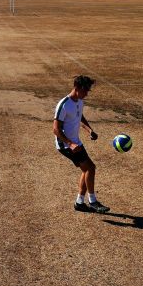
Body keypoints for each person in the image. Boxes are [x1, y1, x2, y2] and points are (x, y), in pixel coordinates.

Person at [53, 75, 110, 213]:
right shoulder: (64, 104)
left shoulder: (79, 101)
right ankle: (93, 202)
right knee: (90, 168)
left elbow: (80, 117)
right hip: (65, 145)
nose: (86, 93)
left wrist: (90, 130)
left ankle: (79, 202)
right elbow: (56, 129)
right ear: (77, 88)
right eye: (85, 90)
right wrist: (70, 144)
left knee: (87, 170)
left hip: (76, 142)